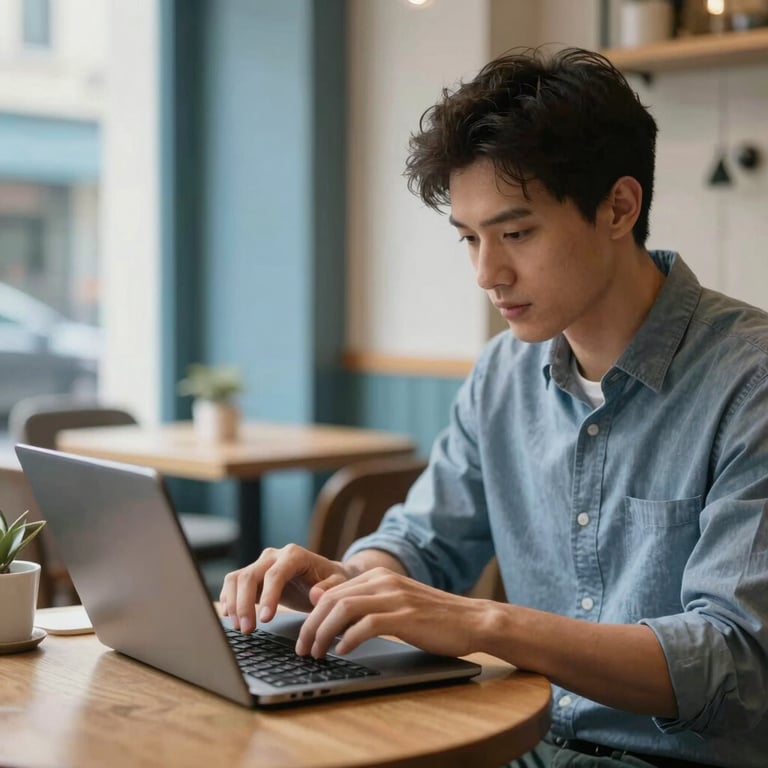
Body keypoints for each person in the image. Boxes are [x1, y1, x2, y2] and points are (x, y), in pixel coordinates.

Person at [220, 47, 768, 767]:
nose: (488, 273)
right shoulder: (504, 372)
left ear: (618, 207)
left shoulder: (748, 378)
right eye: (470, 239)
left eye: (516, 234)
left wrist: (481, 621)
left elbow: (734, 663)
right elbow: (426, 542)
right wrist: (350, 582)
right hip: (519, 747)